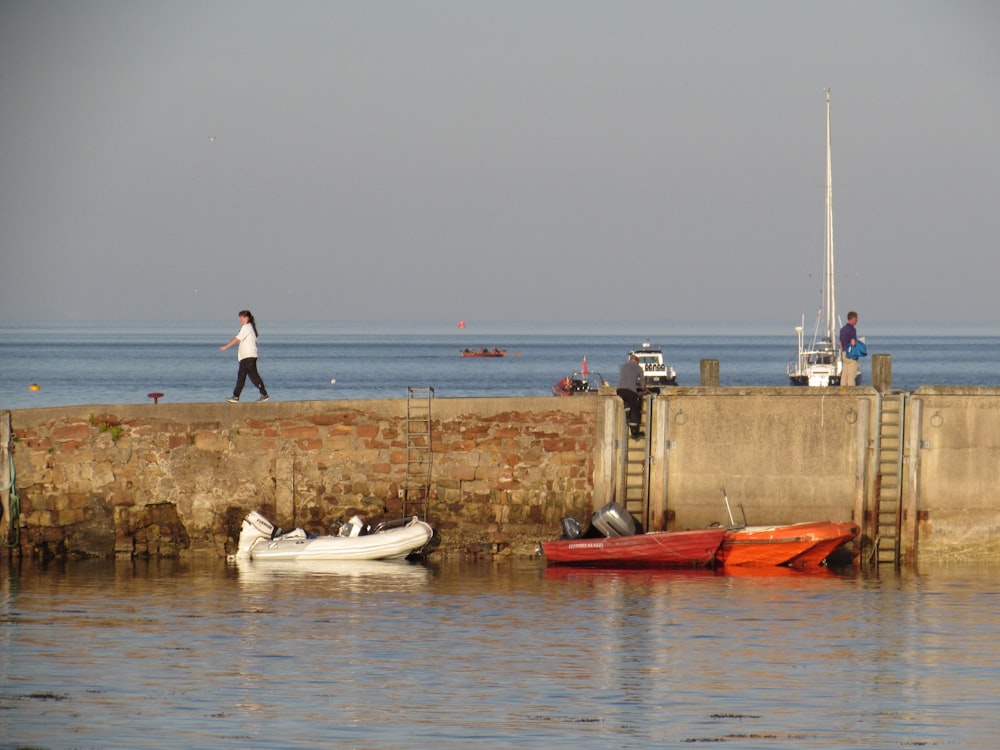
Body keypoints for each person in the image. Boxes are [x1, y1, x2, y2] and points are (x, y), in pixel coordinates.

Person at [220, 310, 269, 402]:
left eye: (241, 317)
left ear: (246, 318)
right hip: (246, 357)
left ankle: (264, 394)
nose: (240, 320)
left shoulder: (246, 327)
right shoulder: (249, 327)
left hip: (248, 357)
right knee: (242, 377)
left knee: (253, 377)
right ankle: (236, 396)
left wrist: (226, 347)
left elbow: (237, 339)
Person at [617, 354, 646, 439]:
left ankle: (627, 414)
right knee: (634, 408)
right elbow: (642, 381)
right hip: (630, 391)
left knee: (627, 403)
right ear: (637, 362)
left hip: (619, 390)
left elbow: (626, 378)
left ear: (630, 360)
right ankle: (634, 432)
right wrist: (644, 389)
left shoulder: (623, 366)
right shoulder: (639, 368)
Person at [839, 310, 860, 386]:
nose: (857, 321)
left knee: (844, 373)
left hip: (844, 353)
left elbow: (840, 344)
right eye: (856, 319)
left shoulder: (842, 330)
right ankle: (851, 391)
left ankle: (843, 390)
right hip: (850, 354)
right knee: (851, 374)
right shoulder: (852, 330)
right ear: (853, 319)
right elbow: (853, 342)